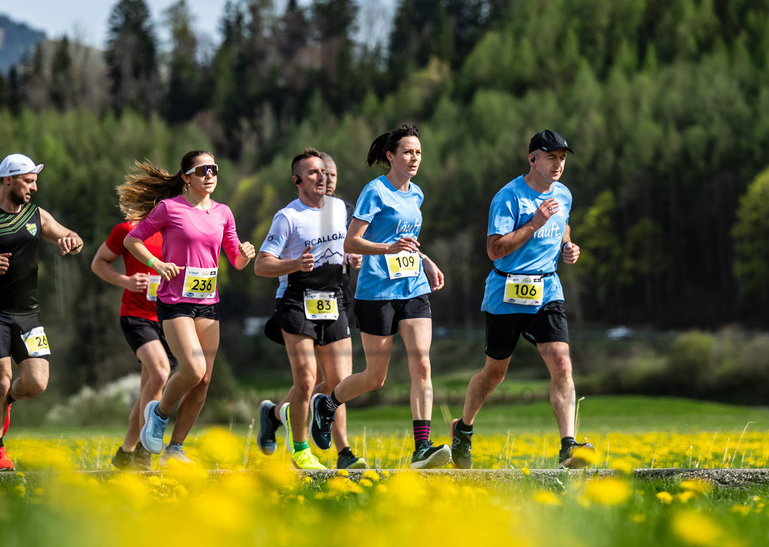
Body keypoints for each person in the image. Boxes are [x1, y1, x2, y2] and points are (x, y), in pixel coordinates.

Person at [449, 130, 593, 469]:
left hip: (547, 290)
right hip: (507, 291)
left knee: (562, 365)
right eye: (551, 157)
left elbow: (564, 225)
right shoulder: (508, 197)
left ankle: (568, 447)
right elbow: (494, 250)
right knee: (494, 373)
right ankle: (463, 429)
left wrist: (567, 246)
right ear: (532, 159)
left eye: (562, 158)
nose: (558, 164)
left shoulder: (564, 194)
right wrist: (534, 223)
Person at [309, 124, 451, 468]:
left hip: (413, 287)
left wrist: (426, 260)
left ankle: (421, 447)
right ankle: (327, 404)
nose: (414, 158)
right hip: (377, 292)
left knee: (422, 364)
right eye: (407, 152)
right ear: (391, 156)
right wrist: (389, 249)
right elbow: (352, 242)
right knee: (376, 377)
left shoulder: (416, 194)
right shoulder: (375, 191)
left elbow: (407, 241)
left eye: (418, 152)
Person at [0, 153, 84, 471]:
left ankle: (6, 401)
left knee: (36, 383)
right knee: (0, 381)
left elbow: (72, 236)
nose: (34, 187)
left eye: (35, 181)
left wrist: (71, 242)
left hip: (28, 313)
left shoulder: (37, 215)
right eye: (28, 181)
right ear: (8, 180)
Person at [121, 150, 255, 463]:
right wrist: (156, 263)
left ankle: (174, 449)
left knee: (204, 380)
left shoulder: (223, 213)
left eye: (213, 169)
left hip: (208, 303)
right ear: (186, 178)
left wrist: (245, 254)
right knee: (193, 370)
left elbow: (235, 261)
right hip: (174, 301)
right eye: (201, 170)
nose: (209, 175)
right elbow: (132, 241)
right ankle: (159, 413)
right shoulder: (170, 208)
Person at [254, 149, 366, 470]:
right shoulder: (287, 217)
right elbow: (262, 265)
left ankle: (278, 413)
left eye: (324, 172)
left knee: (339, 381)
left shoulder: (339, 209)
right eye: (314, 172)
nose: (322, 177)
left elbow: (343, 245)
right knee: (305, 379)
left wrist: (351, 257)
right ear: (297, 181)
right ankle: (301, 450)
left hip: (333, 299)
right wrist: (295, 264)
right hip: (296, 300)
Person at [92, 217, 174, 470]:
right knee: (160, 374)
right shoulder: (127, 229)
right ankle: (143, 451)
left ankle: (125, 452)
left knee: (150, 388)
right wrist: (125, 281)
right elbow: (98, 263)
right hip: (137, 316)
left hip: (171, 318)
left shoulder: (176, 228)